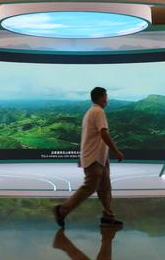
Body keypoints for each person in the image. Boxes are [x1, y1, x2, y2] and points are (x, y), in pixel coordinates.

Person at [53, 87, 124, 228]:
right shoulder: (98, 111)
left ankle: (108, 217)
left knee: (105, 188)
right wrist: (116, 151)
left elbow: (87, 137)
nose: (107, 99)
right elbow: (103, 133)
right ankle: (62, 210)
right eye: (106, 96)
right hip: (95, 158)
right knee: (89, 187)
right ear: (101, 97)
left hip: (100, 158)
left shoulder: (90, 112)